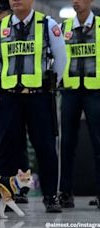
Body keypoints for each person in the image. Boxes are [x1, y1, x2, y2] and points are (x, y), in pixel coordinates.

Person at [0, 0, 67, 213]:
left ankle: (51, 196)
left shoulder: (47, 24)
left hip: (38, 96)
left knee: (45, 147)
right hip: (9, 97)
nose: (15, 0)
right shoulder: (0, 27)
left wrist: (48, 85)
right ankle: (4, 194)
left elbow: (61, 59)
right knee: (6, 148)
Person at [0, 0, 30, 212]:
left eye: (0, 12)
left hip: (10, 93)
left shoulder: (16, 33)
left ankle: (17, 190)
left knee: (15, 145)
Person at [58, 0, 100, 210]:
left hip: (96, 91)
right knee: (67, 143)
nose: (76, 1)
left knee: (99, 142)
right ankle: (65, 193)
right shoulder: (63, 27)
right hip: (70, 91)